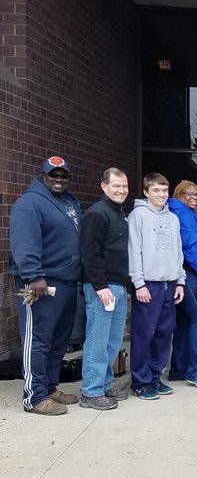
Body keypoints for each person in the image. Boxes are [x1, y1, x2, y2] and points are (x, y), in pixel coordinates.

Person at [10, 155, 82, 415]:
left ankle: (50, 388)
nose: (59, 179)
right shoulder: (30, 204)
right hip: (42, 284)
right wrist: (33, 275)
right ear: (43, 175)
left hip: (67, 281)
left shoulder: (67, 201)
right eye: (53, 175)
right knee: (38, 339)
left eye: (63, 175)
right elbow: (25, 243)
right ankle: (35, 396)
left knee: (58, 340)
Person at [127, 173, 185, 400]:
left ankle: (154, 377)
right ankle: (140, 381)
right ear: (146, 192)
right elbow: (134, 251)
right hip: (148, 283)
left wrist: (180, 281)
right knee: (144, 334)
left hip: (170, 283)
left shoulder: (173, 218)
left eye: (164, 190)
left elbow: (178, 252)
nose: (161, 195)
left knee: (163, 333)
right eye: (156, 190)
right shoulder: (138, 215)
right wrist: (139, 283)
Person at [78, 168, 131, 411]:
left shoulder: (118, 214)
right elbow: (90, 252)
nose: (121, 190)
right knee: (98, 341)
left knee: (112, 341)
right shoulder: (97, 214)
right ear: (104, 186)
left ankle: (105, 384)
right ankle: (91, 392)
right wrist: (100, 286)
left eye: (124, 186)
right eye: (116, 186)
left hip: (118, 286)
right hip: (103, 287)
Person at [167, 181, 197, 389]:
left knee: (185, 323)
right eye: (190, 193)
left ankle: (178, 369)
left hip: (182, 274)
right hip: (191, 274)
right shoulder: (185, 214)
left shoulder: (174, 211)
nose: (195, 197)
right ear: (179, 194)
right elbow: (190, 246)